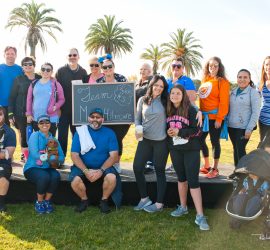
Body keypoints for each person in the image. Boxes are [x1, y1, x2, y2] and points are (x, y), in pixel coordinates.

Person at [166, 85, 209, 230]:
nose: (175, 95)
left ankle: (200, 215)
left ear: (183, 95)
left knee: (193, 180)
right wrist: (172, 132)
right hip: (175, 149)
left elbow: (197, 130)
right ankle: (183, 207)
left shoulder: (191, 109)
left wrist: (179, 131)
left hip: (191, 149)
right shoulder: (168, 110)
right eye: (173, 93)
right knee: (181, 179)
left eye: (178, 93)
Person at [69, 108, 121, 213]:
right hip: (84, 167)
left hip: (104, 166)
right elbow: (74, 155)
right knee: (75, 182)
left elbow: (114, 156)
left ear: (102, 119)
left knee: (111, 177)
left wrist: (101, 170)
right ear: (88, 118)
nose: (95, 119)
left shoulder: (110, 133)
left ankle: (104, 201)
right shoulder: (80, 132)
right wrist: (85, 171)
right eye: (92, 117)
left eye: (98, 117)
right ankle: (84, 200)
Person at [133, 75, 169, 213]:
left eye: (161, 86)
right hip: (145, 140)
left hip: (161, 141)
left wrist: (199, 112)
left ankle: (159, 204)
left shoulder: (166, 101)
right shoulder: (142, 100)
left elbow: (185, 106)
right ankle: (144, 198)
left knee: (159, 171)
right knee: (137, 167)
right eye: (156, 85)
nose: (158, 88)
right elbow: (137, 118)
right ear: (151, 85)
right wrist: (137, 129)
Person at [23, 115, 64, 214]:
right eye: (41, 122)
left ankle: (47, 201)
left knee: (56, 176)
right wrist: (48, 156)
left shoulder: (53, 139)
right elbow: (34, 154)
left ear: (50, 124)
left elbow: (62, 157)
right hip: (32, 167)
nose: (44, 124)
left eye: (47, 122)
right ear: (38, 125)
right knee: (44, 176)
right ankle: (39, 202)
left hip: (47, 167)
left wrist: (56, 159)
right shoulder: (35, 135)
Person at [166, 57, 201, 172]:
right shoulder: (167, 81)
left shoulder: (187, 80)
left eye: (179, 66)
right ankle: (173, 164)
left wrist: (198, 111)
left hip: (184, 117)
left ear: (183, 69)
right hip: (168, 115)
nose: (176, 68)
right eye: (173, 66)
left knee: (184, 138)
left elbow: (192, 99)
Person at [96, 54, 130, 173]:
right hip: (105, 117)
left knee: (117, 139)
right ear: (102, 69)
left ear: (113, 66)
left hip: (121, 117)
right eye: (104, 67)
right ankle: (107, 163)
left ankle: (116, 163)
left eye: (109, 66)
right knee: (106, 140)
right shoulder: (99, 82)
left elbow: (128, 97)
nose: (107, 69)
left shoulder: (122, 78)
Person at [198, 57, 230, 178]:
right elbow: (202, 99)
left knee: (214, 142)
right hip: (204, 118)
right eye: (210, 66)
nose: (212, 68)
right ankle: (206, 165)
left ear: (219, 67)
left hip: (215, 117)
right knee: (200, 140)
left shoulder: (223, 82)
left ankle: (215, 168)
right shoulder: (205, 80)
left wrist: (219, 118)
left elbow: (224, 102)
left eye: (215, 66)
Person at [8, 57, 41, 162]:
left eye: (30, 64)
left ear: (34, 65)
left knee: (39, 136)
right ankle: (27, 159)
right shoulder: (18, 79)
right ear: (22, 67)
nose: (28, 66)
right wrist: (10, 114)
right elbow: (12, 97)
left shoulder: (40, 78)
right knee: (24, 136)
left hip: (38, 113)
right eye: (25, 64)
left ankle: (39, 158)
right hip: (21, 113)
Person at [55, 48, 87, 156]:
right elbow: (55, 90)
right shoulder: (60, 71)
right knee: (62, 136)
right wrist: (57, 108)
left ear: (78, 57)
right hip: (63, 110)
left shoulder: (83, 72)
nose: (72, 57)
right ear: (67, 57)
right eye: (70, 55)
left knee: (77, 136)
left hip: (78, 111)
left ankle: (77, 159)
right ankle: (61, 158)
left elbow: (87, 91)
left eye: (74, 55)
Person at [228, 69, 260, 168]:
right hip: (231, 126)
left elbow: (256, 112)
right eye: (240, 77)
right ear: (237, 79)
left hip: (244, 128)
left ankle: (242, 176)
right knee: (236, 149)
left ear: (249, 79)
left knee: (240, 149)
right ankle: (236, 173)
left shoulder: (253, 93)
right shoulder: (232, 92)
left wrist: (249, 128)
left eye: (245, 77)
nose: (242, 79)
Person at [26, 62, 65, 136]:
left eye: (48, 70)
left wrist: (55, 106)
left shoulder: (56, 84)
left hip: (51, 118)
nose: (45, 71)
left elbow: (62, 99)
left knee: (50, 143)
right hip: (36, 118)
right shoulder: (34, 83)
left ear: (51, 72)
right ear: (40, 71)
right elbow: (29, 99)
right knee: (39, 141)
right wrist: (29, 114)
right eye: (43, 69)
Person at [135, 62, 154, 174]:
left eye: (145, 69)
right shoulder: (137, 83)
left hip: (148, 115)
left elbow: (143, 93)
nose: (143, 71)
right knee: (141, 139)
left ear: (150, 71)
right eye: (141, 69)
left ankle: (151, 164)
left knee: (149, 139)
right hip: (139, 115)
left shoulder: (152, 82)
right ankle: (145, 161)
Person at [0, 46, 23, 124]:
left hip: (17, 105)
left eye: (12, 54)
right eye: (8, 54)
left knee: (18, 131)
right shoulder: (0, 68)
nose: (10, 56)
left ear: (16, 55)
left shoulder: (20, 69)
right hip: (2, 105)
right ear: (4, 55)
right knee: (3, 131)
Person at [0, 106, 16, 212]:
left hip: (3, 163)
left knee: (2, 179)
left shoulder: (9, 132)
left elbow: (7, 154)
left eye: (0, 114)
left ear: (4, 116)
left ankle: (1, 204)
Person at [258, 56, 270, 145]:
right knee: (264, 147)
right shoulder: (260, 83)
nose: (268, 67)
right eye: (267, 64)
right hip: (263, 121)